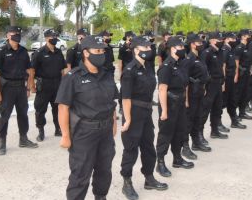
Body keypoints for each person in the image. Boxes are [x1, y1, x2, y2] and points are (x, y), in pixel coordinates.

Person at [56, 35, 119, 200]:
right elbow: (63, 107)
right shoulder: (72, 77)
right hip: (84, 132)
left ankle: (101, 196)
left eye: (103, 51)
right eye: (97, 51)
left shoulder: (107, 75)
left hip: (105, 131)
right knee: (80, 173)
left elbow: (111, 101)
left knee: (104, 169)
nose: (101, 54)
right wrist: (65, 135)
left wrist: (113, 123)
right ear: (85, 53)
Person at [120, 36, 168, 200]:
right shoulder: (129, 70)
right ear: (136, 50)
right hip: (133, 112)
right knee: (131, 149)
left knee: (148, 147)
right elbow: (125, 98)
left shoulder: (148, 67)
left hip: (146, 112)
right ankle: (127, 183)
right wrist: (127, 119)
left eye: (149, 48)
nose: (149, 51)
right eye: (145, 48)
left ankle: (149, 178)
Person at [0, 26, 38, 156]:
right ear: (7, 36)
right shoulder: (1, 51)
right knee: (4, 115)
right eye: (13, 33)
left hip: (21, 88)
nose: (16, 35)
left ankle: (23, 139)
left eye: (18, 33)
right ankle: (2, 143)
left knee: (23, 114)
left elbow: (28, 70)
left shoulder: (23, 51)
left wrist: (28, 87)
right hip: (7, 88)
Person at [156, 36, 194, 178]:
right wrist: (164, 110)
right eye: (180, 47)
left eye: (183, 47)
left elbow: (184, 85)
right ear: (172, 49)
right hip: (169, 103)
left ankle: (177, 158)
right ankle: (160, 163)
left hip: (180, 103)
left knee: (180, 131)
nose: (183, 50)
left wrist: (185, 101)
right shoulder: (166, 67)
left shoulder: (181, 64)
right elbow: (162, 90)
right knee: (166, 134)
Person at [31, 29, 67, 141]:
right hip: (44, 85)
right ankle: (41, 131)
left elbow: (62, 69)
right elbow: (32, 70)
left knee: (57, 108)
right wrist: (32, 85)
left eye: (56, 36)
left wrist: (64, 83)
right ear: (46, 38)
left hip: (57, 84)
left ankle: (58, 129)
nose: (55, 38)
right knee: (40, 109)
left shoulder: (58, 52)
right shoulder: (39, 53)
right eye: (52, 36)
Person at [181, 33, 212, 161]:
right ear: (192, 44)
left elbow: (203, 76)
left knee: (198, 119)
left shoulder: (200, 57)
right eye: (199, 43)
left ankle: (196, 142)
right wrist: (186, 99)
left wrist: (203, 88)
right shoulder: (188, 60)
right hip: (191, 94)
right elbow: (185, 81)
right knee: (188, 121)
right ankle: (185, 147)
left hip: (199, 91)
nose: (201, 45)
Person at [201, 32, 229, 139]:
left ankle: (215, 130)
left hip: (218, 83)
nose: (221, 42)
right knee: (205, 110)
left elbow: (221, 67)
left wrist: (223, 82)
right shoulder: (206, 53)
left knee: (217, 108)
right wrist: (204, 86)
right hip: (210, 84)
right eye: (219, 40)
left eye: (222, 40)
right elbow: (203, 71)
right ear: (212, 41)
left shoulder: (220, 52)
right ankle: (199, 135)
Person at [221, 32, 247, 129]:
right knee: (222, 102)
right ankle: (218, 124)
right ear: (227, 39)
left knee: (232, 100)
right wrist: (223, 81)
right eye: (232, 39)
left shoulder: (230, 49)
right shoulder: (224, 50)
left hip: (231, 78)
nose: (235, 41)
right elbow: (223, 66)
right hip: (226, 79)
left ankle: (234, 121)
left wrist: (235, 74)